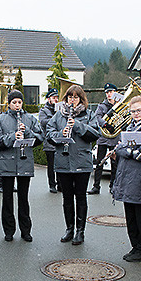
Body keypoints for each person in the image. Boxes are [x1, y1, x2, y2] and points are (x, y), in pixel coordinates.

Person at [46, 84, 100, 245]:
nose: (73, 100)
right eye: (70, 97)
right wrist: (59, 134)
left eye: (76, 97)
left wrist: (76, 125)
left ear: (81, 99)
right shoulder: (58, 115)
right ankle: (69, 229)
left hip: (82, 162)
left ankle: (80, 231)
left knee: (81, 197)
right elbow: (49, 133)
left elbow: (95, 133)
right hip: (63, 162)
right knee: (67, 198)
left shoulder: (88, 114)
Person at [111, 96, 141, 261]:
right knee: (131, 217)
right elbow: (120, 148)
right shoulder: (130, 126)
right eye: (133, 111)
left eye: (139, 110)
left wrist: (129, 152)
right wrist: (130, 151)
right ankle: (135, 247)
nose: (136, 114)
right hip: (128, 178)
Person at [0, 90, 43, 241]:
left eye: (19, 102)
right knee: (7, 199)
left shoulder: (30, 118)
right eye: (14, 102)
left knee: (23, 199)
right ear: (9, 104)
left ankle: (26, 231)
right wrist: (13, 137)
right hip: (7, 163)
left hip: (24, 163)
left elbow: (40, 138)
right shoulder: (0, 119)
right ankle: (8, 231)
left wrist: (27, 132)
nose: (17, 105)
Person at [89, 83, 123, 194]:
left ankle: (113, 185)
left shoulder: (121, 105)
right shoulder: (101, 106)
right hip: (103, 137)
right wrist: (105, 125)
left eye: (111, 92)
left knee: (115, 162)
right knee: (100, 162)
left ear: (116, 92)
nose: (109, 94)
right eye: (107, 92)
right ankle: (96, 186)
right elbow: (97, 117)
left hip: (115, 137)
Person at [39, 88, 60, 193]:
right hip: (49, 141)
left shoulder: (61, 109)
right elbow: (43, 122)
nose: (56, 99)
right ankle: (52, 184)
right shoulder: (44, 110)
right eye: (53, 97)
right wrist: (56, 116)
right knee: (51, 165)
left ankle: (60, 184)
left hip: (60, 141)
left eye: (57, 97)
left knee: (60, 164)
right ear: (48, 99)